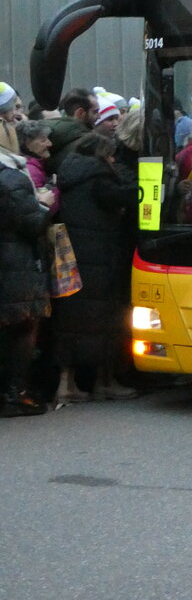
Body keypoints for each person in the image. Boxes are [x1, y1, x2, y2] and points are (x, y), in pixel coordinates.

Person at [51, 133, 139, 402]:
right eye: (111, 155)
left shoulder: (68, 173)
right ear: (103, 155)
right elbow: (132, 196)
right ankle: (105, 382)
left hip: (71, 259)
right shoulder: (101, 177)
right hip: (100, 259)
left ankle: (66, 386)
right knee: (106, 320)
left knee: (70, 321)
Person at [0, 125, 54, 416]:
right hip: (15, 261)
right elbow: (32, 223)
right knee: (21, 329)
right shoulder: (11, 178)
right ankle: (15, 392)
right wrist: (44, 204)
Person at [46, 87, 98, 174]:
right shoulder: (88, 143)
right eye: (95, 112)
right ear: (80, 113)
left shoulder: (51, 135)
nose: (99, 116)